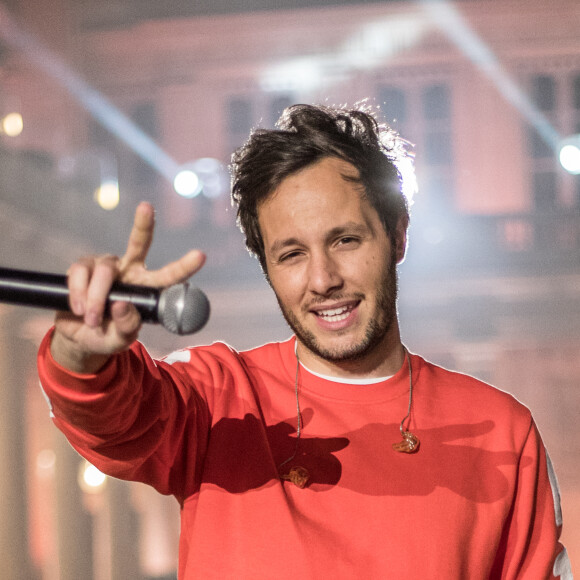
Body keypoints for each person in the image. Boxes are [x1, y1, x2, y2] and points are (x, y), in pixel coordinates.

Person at [37, 104, 571, 579]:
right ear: (267, 266)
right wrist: (81, 352)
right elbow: (117, 417)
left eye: (345, 239)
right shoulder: (218, 397)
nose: (322, 279)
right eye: (291, 254)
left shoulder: (504, 431)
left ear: (399, 235)